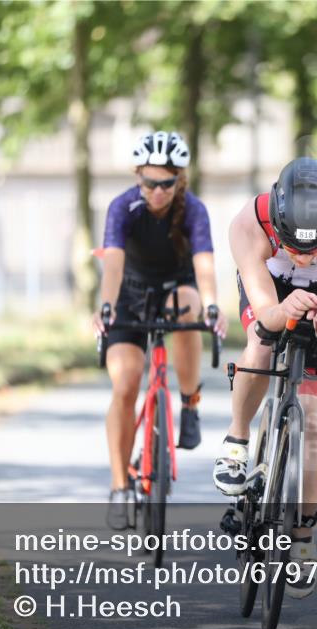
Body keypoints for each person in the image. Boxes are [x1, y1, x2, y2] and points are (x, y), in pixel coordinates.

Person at [213, 157, 317, 598]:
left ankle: (302, 534)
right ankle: (238, 440)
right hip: (270, 294)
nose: (302, 255)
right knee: (261, 345)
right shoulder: (249, 222)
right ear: (276, 220)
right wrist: (282, 311)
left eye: (312, 247)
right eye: (292, 245)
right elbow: (265, 314)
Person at [92, 131, 227, 530]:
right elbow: (113, 262)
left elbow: (204, 262)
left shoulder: (193, 210)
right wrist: (106, 305)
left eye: (166, 184)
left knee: (190, 307)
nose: (157, 192)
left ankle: (189, 402)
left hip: (176, 288)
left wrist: (213, 303)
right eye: (149, 182)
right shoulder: (123, 207)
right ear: (138, 178)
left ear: (179, 181)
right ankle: (120, 486)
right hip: (129, 296)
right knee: (126, 382)